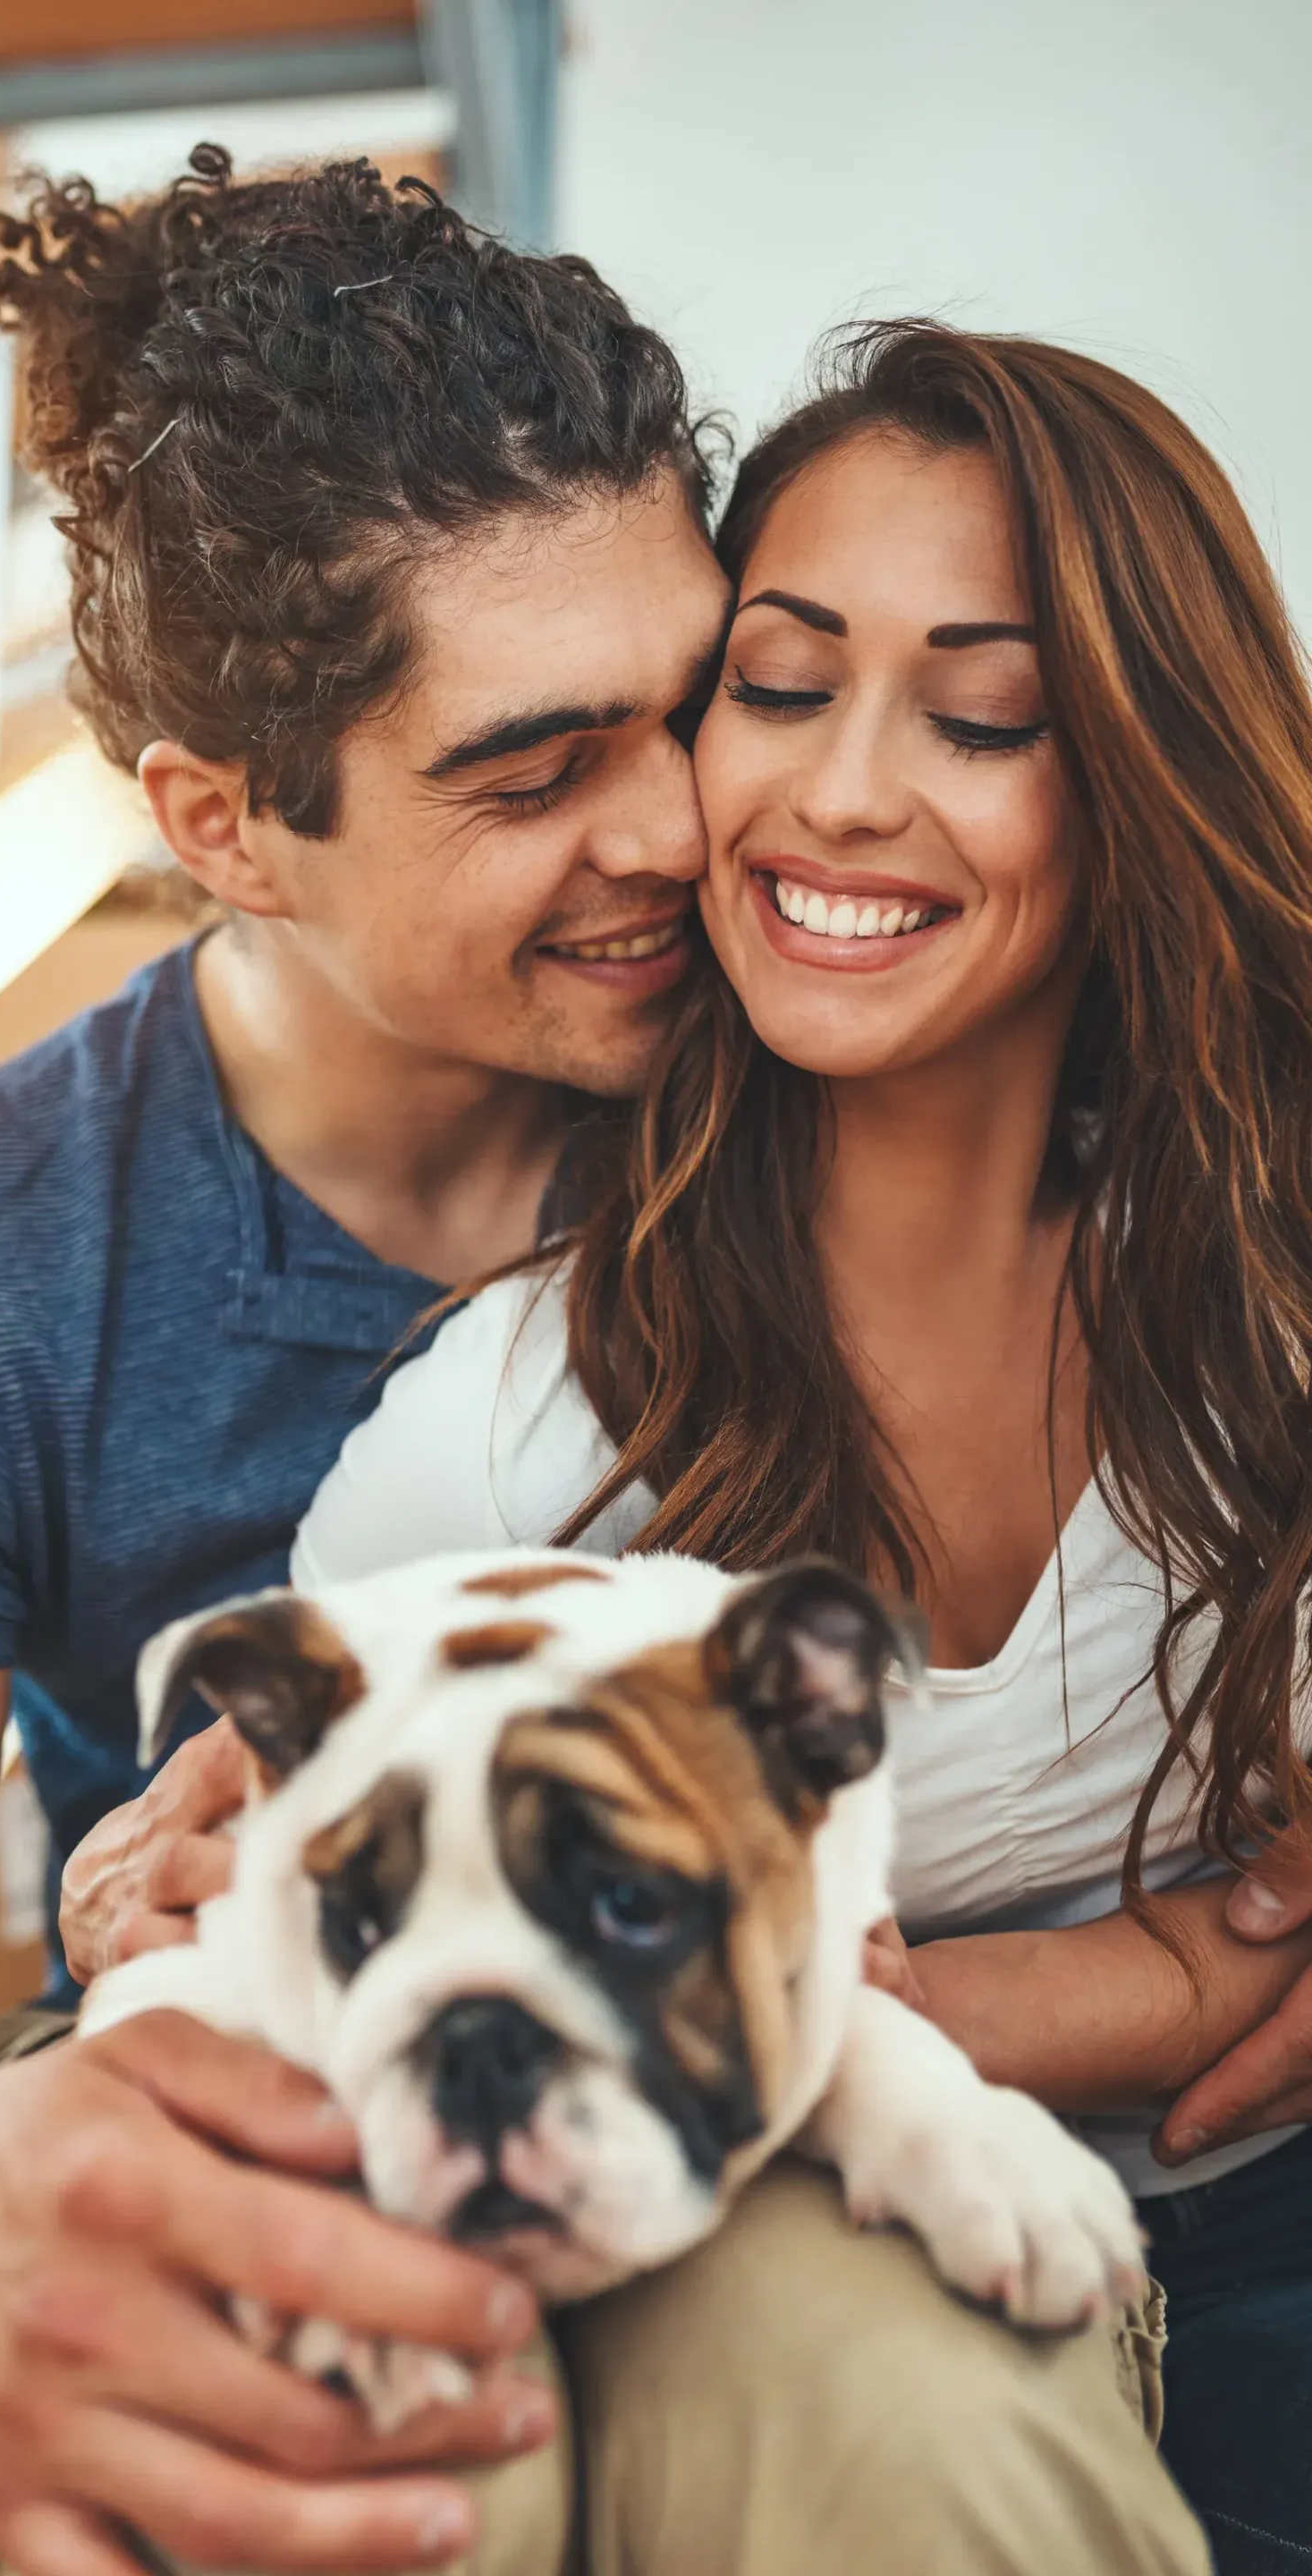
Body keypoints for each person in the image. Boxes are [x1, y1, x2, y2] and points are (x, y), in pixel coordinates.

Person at [0, 149, 732, 2576]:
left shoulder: (863, 1009)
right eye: (536, 772)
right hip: (293, 2150)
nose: (685, 827)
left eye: (699, 699)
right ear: (225, 827)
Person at [274, 323, 1312, 2575]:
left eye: (986, 714)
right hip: (805, 2298)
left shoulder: (1269, 1299)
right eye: (781, 680)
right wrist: (1156, 1981)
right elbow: (308, 1919)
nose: (845, 793)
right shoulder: (517, 1437)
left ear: (1131, 773)